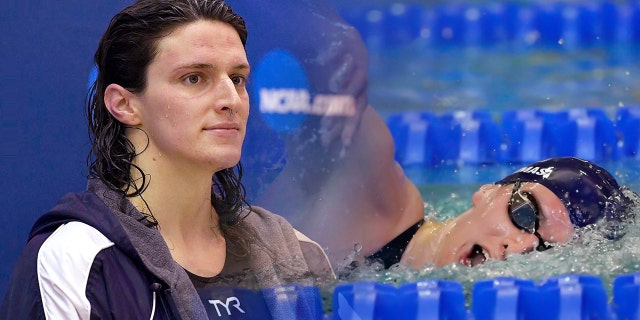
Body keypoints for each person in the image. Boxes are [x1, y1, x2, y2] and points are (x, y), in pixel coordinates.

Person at [0, 0, 334, 319]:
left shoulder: (298, 254)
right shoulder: (77, 263)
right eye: (194, 78)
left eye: (237, 79)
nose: (231, 99)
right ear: (125, 105)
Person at [227, 0, 427, 272]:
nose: (508, 243)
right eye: (510, 210)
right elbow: (322, 55)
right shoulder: (373, 170)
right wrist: (327, 29)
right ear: (489, 195)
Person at [396, 157, 636, 269]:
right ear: (487, 191)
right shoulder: (390, 218)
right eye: (524, 214)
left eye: (546, 248)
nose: (522, 247)